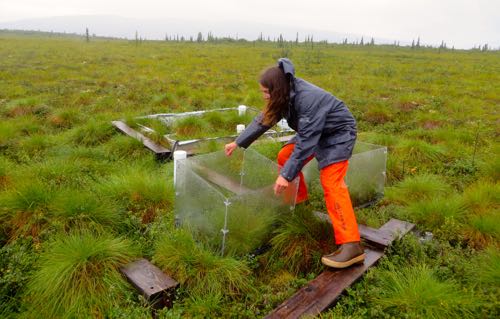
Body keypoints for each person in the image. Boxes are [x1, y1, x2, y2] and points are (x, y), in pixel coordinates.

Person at [224, 58, 364, 269]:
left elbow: (307, 142)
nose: (263, 96)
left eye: (265, 92)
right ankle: (300, 203)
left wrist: (285, 176)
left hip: (337, 135)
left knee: (332, 183)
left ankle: (351, 245)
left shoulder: (307, 99)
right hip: (315, 131)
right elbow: (265, 117)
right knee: (284, 156)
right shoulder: (285, 93)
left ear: (276, 89)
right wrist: (238, 142)